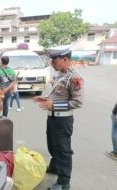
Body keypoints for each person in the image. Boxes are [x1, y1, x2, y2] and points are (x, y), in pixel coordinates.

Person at [33, 45, 84, 190]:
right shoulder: (61, 75)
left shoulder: (75, 78)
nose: (52, 63)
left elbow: (77, 102)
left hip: (63, 120)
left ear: (65, 59)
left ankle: (63, 182)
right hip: (53, 119)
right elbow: (58, 95)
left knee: (63, 150)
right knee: (52, 145)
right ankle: (55, 167)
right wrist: (45, 99)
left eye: (54, 60)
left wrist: (53, 106)